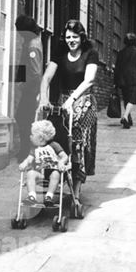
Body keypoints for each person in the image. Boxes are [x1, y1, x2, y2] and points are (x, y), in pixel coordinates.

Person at [38, 19, 98, 200]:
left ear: (82, 36)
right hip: (63, 99)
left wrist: (72, 100)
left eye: (75, 37)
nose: (71, 40)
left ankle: (77, 188)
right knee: (53, 132)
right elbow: (47, 77)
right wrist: (44, 97)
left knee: (78, 136)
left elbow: (89, 80)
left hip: (84, 100)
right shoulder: (61, 51)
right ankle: (53, 176)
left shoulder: (90, 53)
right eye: (68, 37)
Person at [13, 14, 44, 161]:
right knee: (26, 120)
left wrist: (24, 85)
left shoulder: (32, 45)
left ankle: (27, 152)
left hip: (31, 90)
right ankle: (27, 150)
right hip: (31, 89)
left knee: (23, 119)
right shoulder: (32, 41)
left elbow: (36, 72)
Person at [19, 118, 69, 206]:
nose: (30, 136)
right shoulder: (34, 148)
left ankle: (49, 196)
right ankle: (32, 196)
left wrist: (61, 162)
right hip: (40, 173)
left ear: (41, 138)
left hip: (52, 172)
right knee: (30, 173)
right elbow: (29, 158)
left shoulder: (54, 145)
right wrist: (25, 163)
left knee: (55, 174)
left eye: (32, 134)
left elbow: (64, 156)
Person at [113, 32, 136, 129]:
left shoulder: (121, 52)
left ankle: (128, 118)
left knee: (126, 99)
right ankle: (125, 117)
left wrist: (115, 82)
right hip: (135, 79)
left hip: (123, 79)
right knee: (132, 99)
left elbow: (117, 68)